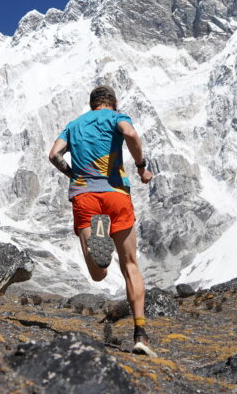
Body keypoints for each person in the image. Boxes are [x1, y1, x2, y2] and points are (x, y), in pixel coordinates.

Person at [48, 85, 156, 356]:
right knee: (130, 264)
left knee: (98, 274)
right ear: (114, 103)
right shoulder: (116, 118)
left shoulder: (74, 125)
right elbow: (130, 134)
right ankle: (140, 334)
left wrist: (73, 175)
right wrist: (141, 167)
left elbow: (54, 155)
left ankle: (98, 252)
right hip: (116, 194)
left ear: (92, 104)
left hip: (85, 196)